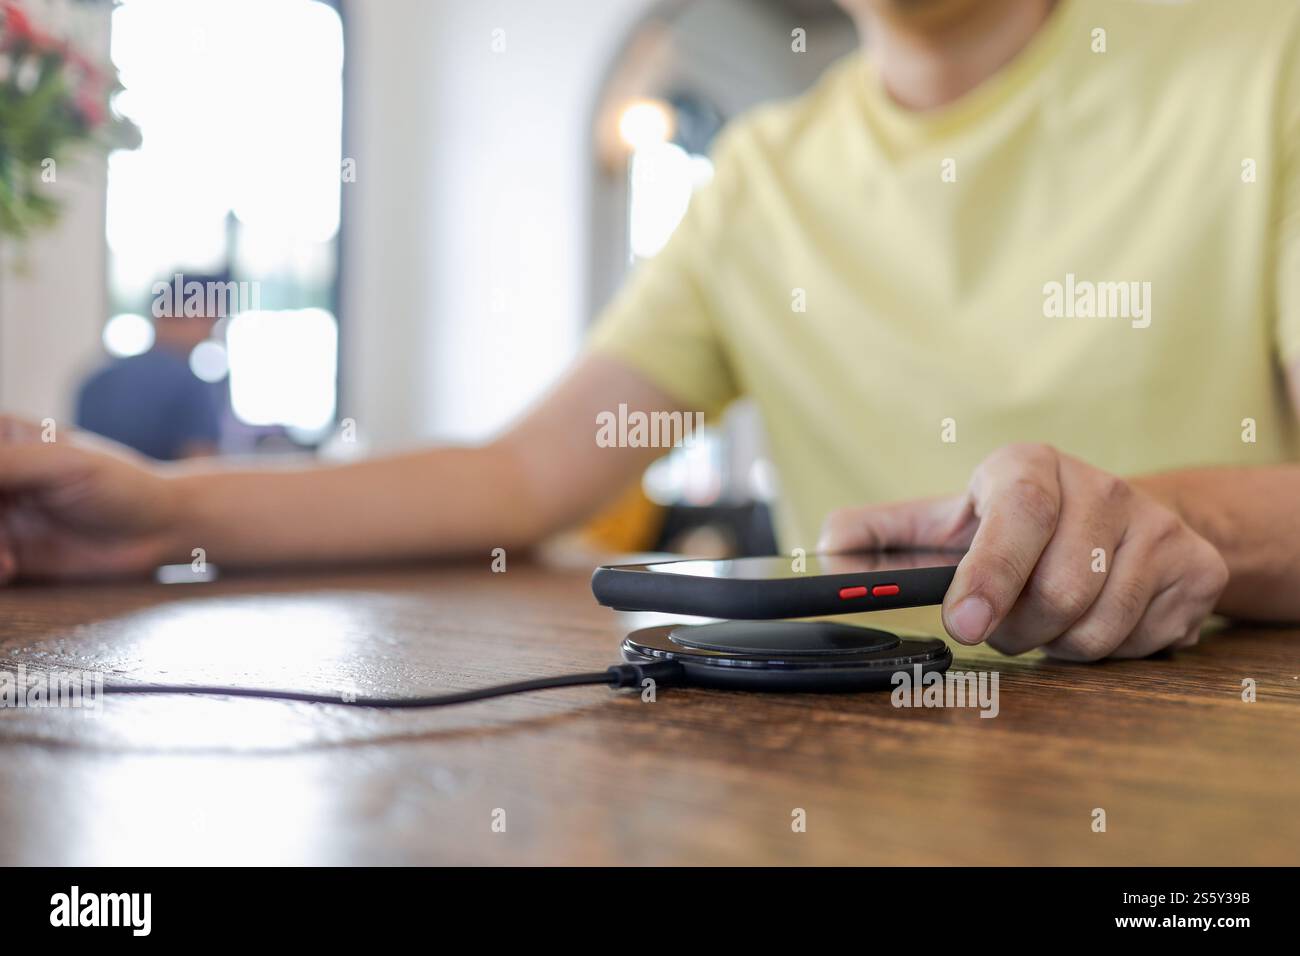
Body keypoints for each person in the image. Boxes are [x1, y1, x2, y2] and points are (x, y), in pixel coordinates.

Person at [2, 0, 1299, 663]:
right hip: (857, 771)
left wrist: (1167, 532)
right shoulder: (762, 180)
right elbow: (517, 477)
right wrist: (165, 513)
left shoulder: (1264, 57)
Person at [75, 272, 224, 460]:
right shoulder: (189, 386)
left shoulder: (96, 380)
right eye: (210, 319)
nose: (209, 333)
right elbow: (200, 465)